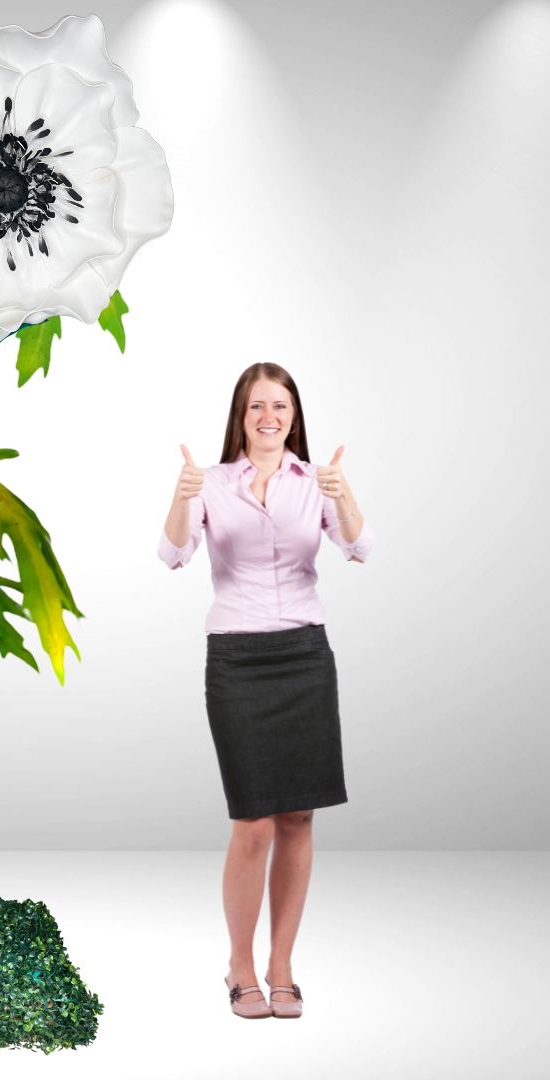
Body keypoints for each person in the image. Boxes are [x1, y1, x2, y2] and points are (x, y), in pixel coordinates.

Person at [158, 362, 373, 1019]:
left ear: (294, 416)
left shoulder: (315, 482)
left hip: (306, 655)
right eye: (257, 406)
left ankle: (281, 965)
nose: (269, 417)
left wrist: (342, 492)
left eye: (280, 406)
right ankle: (240, 965)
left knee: (298, 818)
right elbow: (171, 556)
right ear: (241, 417)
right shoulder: (213, 483)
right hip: (237, 661)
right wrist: (180, 492)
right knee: (253, 823)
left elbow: (361, 547)